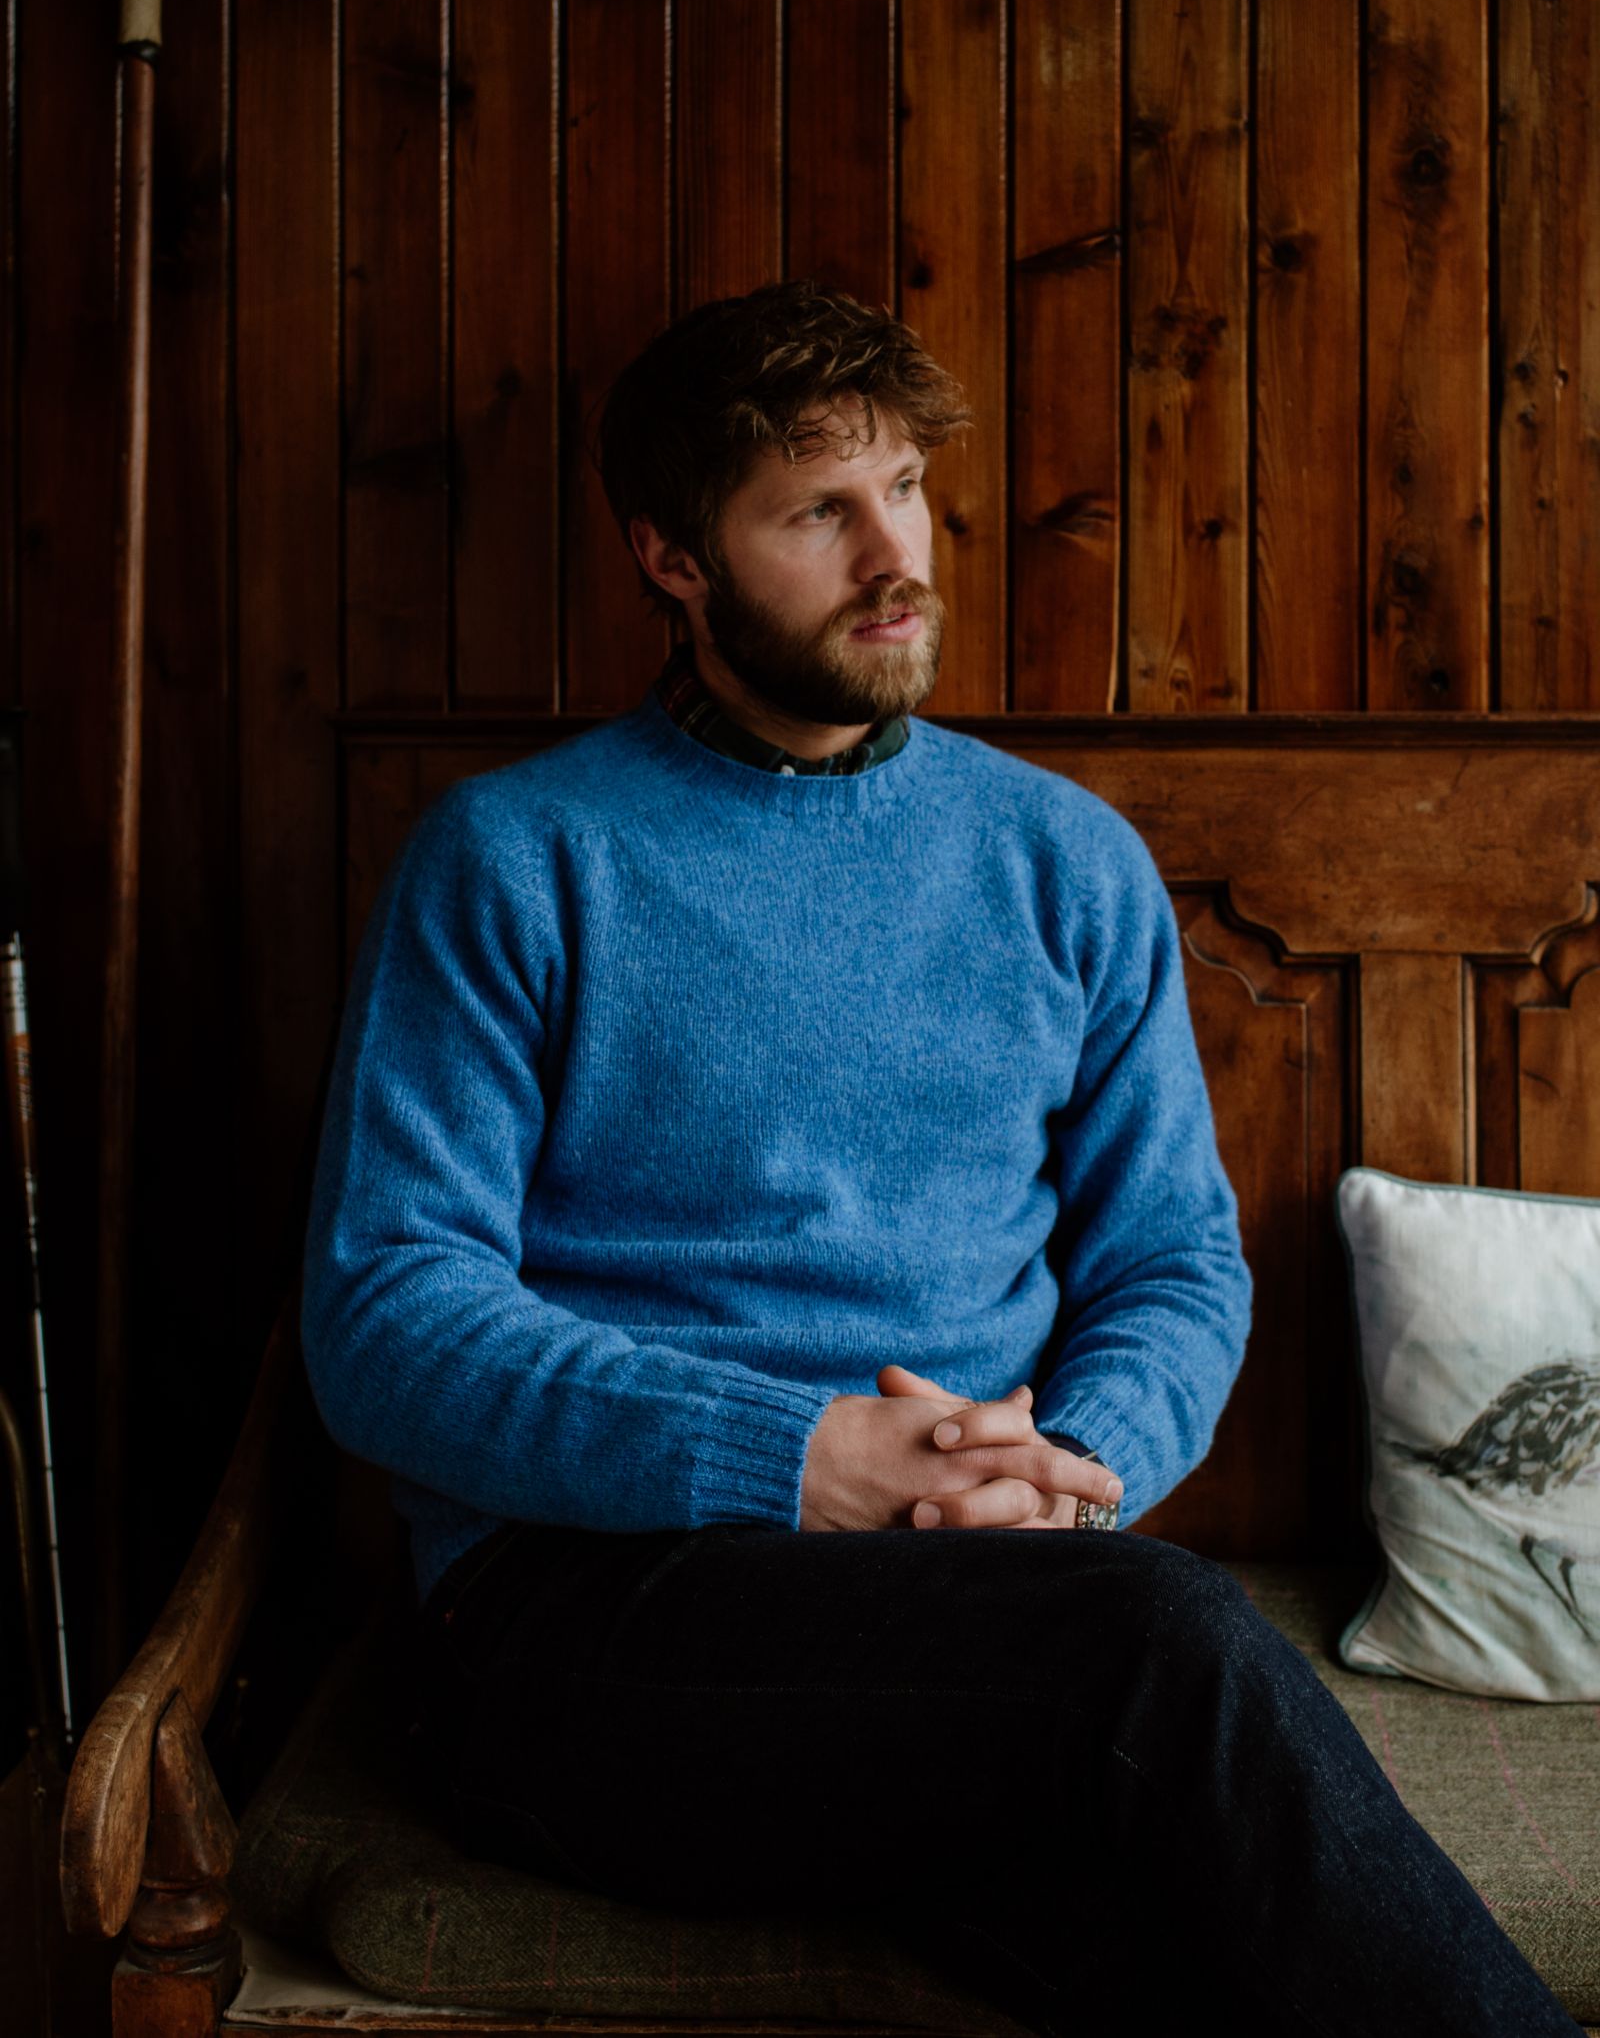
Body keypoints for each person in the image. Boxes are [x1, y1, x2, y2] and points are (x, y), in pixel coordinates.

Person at [301, 280, 1581, 2034]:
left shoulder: (1062, 860)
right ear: (673, 558)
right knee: (1161, 1648)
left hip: (977, 1597)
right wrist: (804, 1456)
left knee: (1175, 1926)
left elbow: (1173, 1264)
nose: (893, 550)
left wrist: (1063, 1467)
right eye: (819, 510)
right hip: (580, 1624)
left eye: (904, 486)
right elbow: (388, 1314)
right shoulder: (517, 860)